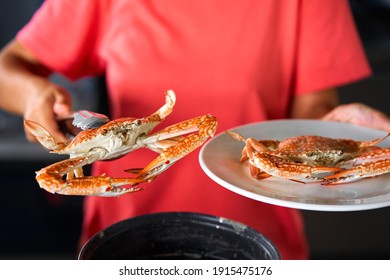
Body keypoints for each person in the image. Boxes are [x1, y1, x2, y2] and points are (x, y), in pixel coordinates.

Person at [1, 0, 390, 259]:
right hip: (124, 236)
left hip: (262, 242)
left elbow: (312, 113)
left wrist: (342, 133)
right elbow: (8, 66)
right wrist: (36, 95)